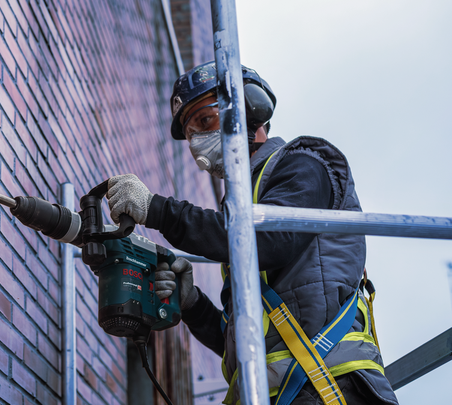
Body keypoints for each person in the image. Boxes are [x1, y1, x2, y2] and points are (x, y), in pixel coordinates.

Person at [106, 61, 398, 405]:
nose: (198, 142)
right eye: (191, 134)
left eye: (204, 121)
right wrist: (192, 304)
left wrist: (157, 210)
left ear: (251, 108)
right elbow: (243, 341)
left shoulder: (303, 163)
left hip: (331, 387)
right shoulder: (241, 213)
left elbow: (270, 242)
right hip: (280, 393)